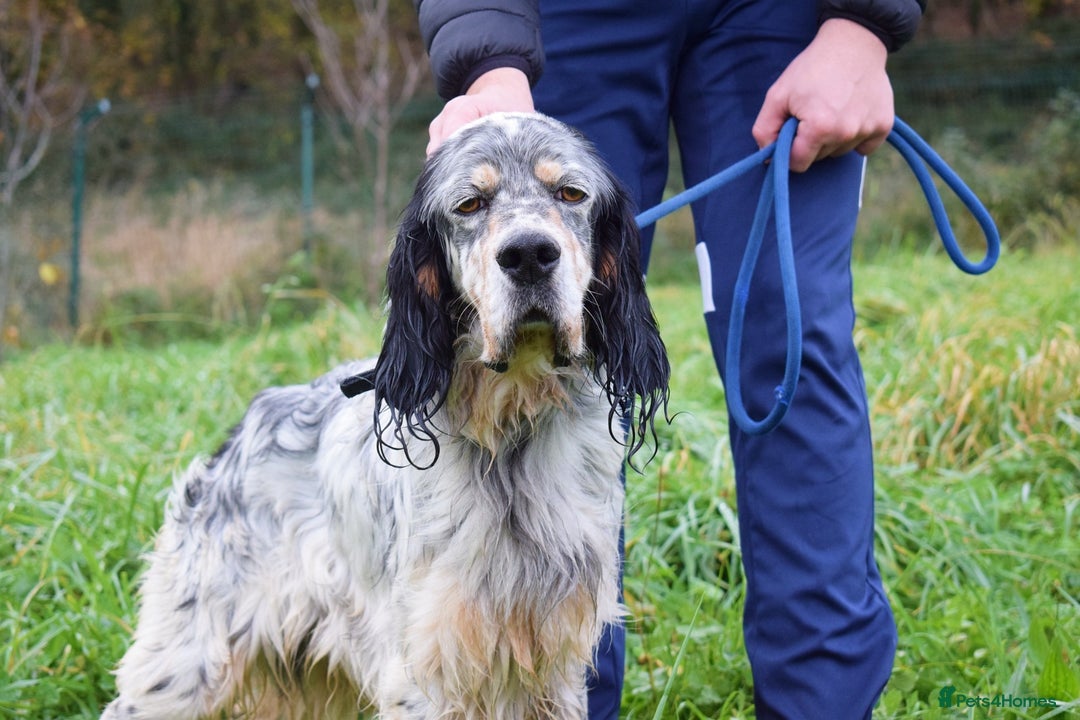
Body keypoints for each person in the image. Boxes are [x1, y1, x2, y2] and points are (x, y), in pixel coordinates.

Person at [413, 1, 924, 717]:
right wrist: (490, 59)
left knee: (789, 336)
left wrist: (862, 27)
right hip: (561, 19)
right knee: (544, 354)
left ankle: (824, 704)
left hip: (787, 12)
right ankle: (559, 703)